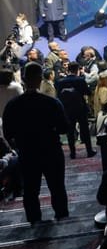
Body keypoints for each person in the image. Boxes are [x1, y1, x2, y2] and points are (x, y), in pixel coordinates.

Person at [1, 63, 70, 223]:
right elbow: (63, 128)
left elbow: (8, 133)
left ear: (24, 79)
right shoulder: (52, 103)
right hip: (51, 150)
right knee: (57, 187)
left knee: (30, 190)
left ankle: (34, 221)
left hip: (27, 152)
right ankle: (62, 218)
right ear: (40, 79)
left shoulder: (13, 105)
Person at [55, 62, 95, 159]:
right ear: (78, 69)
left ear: (68, 69)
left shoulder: (60, 81)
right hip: (80, 108)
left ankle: (72, 153)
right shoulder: (80, 80)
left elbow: (59, 95)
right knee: (85, 130)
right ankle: (89, 150)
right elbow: (88, 92)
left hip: (68, 109)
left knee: (70, 131)